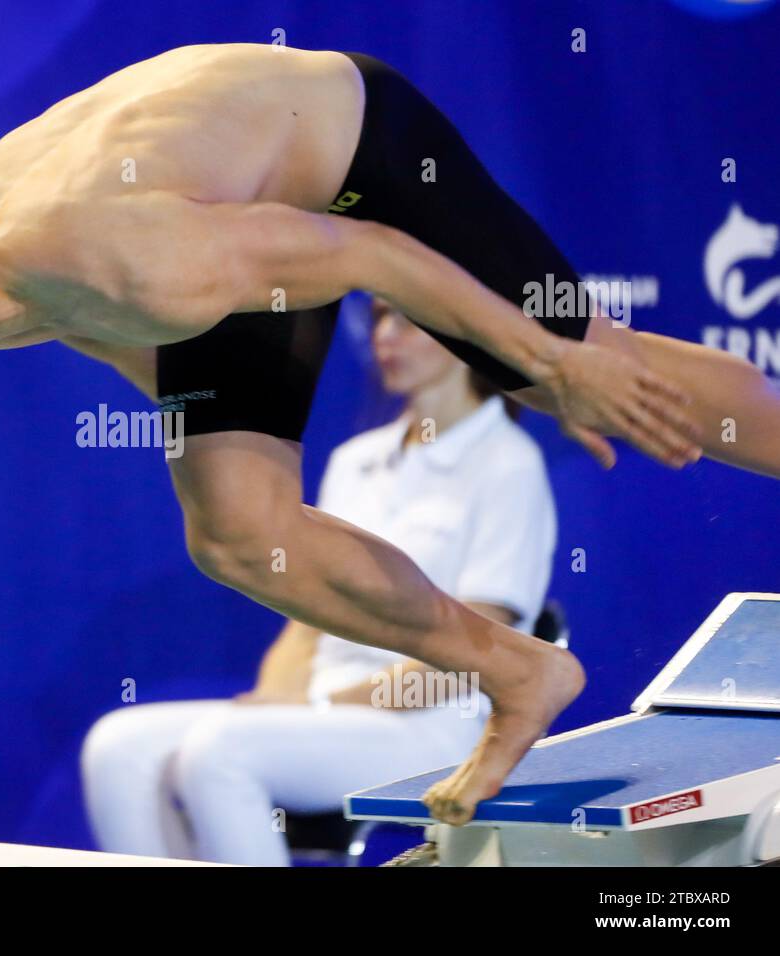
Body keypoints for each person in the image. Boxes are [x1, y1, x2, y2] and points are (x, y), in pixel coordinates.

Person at [0, 44, 780, 823]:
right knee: (231, 525)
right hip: (211, 215)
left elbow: (369, 252)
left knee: (585, 354)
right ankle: (520, 669)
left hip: (350, 157)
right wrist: (212, 427)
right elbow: (124, 340)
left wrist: (548, 365)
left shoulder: (101, 251)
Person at [81, 297, 556, 865]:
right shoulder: (356, 460)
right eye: (381, 317)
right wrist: (277, 695)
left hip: (432, 728)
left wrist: (331, 703)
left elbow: (484, 645)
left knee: (218, 754)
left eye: (409, 318)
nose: (387, 334)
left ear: (461, 332)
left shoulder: (509, 463)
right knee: (118, 747)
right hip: (325, 711)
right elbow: (308, 614)